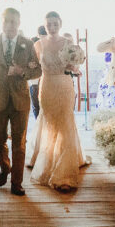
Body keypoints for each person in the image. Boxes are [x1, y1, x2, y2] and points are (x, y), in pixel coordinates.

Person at [0, 7, 42, 196]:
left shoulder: (28, 44)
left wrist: (21, 71)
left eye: (14, 21)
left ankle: (17, 183)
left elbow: (38, 71)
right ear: (2, 23)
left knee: (19, 143)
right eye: (7, 21)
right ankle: (5, 167)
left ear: (19, 23)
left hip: (20, 100)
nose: (10, 25)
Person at [30, 12, 89, 193]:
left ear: (60, 24)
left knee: (64, 121)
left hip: (64, 84)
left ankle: (64, 172)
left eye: (55, 23)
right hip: (46, 85)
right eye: (49, 24)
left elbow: (76, 67)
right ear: (44, 25)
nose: (52, 27)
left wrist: (73, 67)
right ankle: (43, 159)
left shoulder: (68, 43)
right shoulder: (38, 45)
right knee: (48, 120)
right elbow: (33, 66)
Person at [30, 24, 48, 119]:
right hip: (38, 80)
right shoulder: (34, 43)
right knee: (39, 106)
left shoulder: (37, 44)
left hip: (39, 81)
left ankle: (40, 126)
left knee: (38, 106)